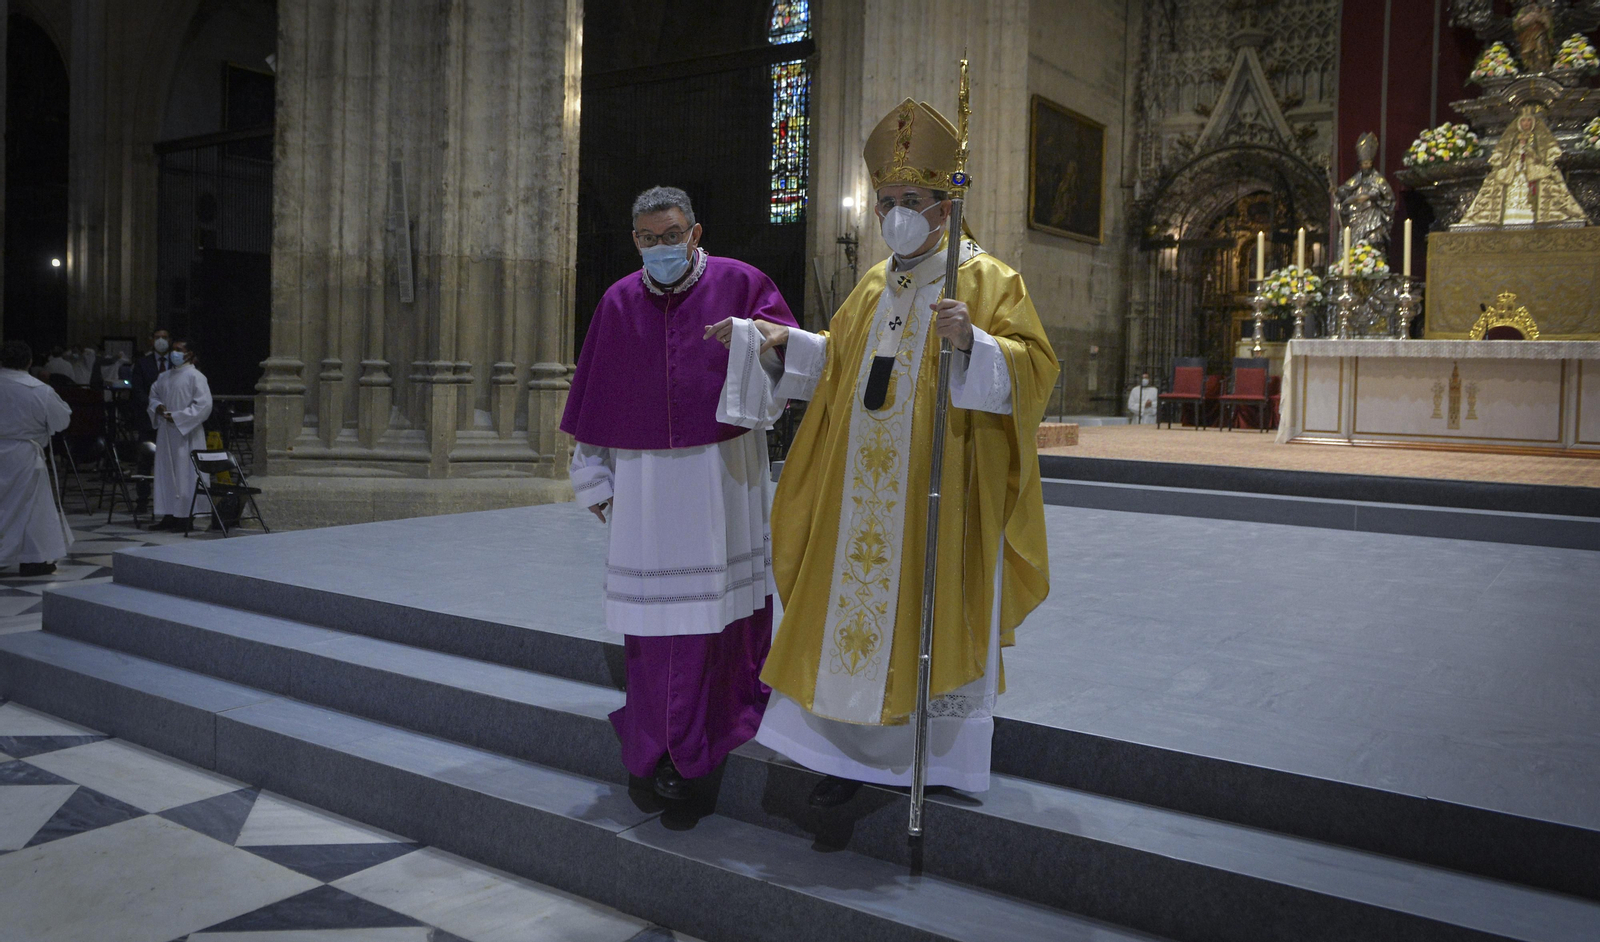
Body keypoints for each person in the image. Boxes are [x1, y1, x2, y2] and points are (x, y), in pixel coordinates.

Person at [715, 98, 1058, 807]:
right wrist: (784, 345)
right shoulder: (875, 282)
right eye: (887, 201)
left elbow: (1036, 368)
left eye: (910, 201)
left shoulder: (987, 281)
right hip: (859, 498)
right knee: (848, 611)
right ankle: (843, 755)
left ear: (945, 206)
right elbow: (840, 364)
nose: (895, 214)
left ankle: (930, 761)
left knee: (927, 616)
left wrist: (976, 344)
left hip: (943, 494)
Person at [560, 186, 799, 800]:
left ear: (695, 233)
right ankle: (660, 739)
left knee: (721, 613)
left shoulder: (742, 284)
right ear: (634, 240)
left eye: (671, 236)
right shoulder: (618, 301)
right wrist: (594, 477)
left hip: (723, 479)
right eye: (648, 239)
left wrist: (755, 342)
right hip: (645, 488)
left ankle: (717, 722)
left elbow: (795, 365)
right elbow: (594, 397)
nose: (660, 247)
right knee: (656, 622)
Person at [0, 340, 74, 577]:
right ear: (29, 362)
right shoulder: (39, 389)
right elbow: (62, 420)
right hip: (24, 455)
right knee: (31, 508)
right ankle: (33, 559)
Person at [146, 339, 213, 532]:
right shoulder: (164, 377)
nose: (173, 353)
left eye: (178, 349)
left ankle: (186, 517)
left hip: (187, 433)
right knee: (166, 474)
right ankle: (168, 514)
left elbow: (204, 405)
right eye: (173, 349)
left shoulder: (196, 377)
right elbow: (154, 396)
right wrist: (158, 407)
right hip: (166, 434)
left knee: (186, 475)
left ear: (189, 354)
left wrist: (178, 417)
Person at [130, 328, 173, 513]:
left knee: (171, 462)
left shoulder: (176, 362)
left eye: (164, 337)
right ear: (151, 340)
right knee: (145, 460)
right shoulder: (143, 363)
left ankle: (170, 500)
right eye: (157, 337)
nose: (161, 340)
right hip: (149, 419)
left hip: (172, 420)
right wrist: (155, 406)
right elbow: (138, 390)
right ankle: (142, 500)